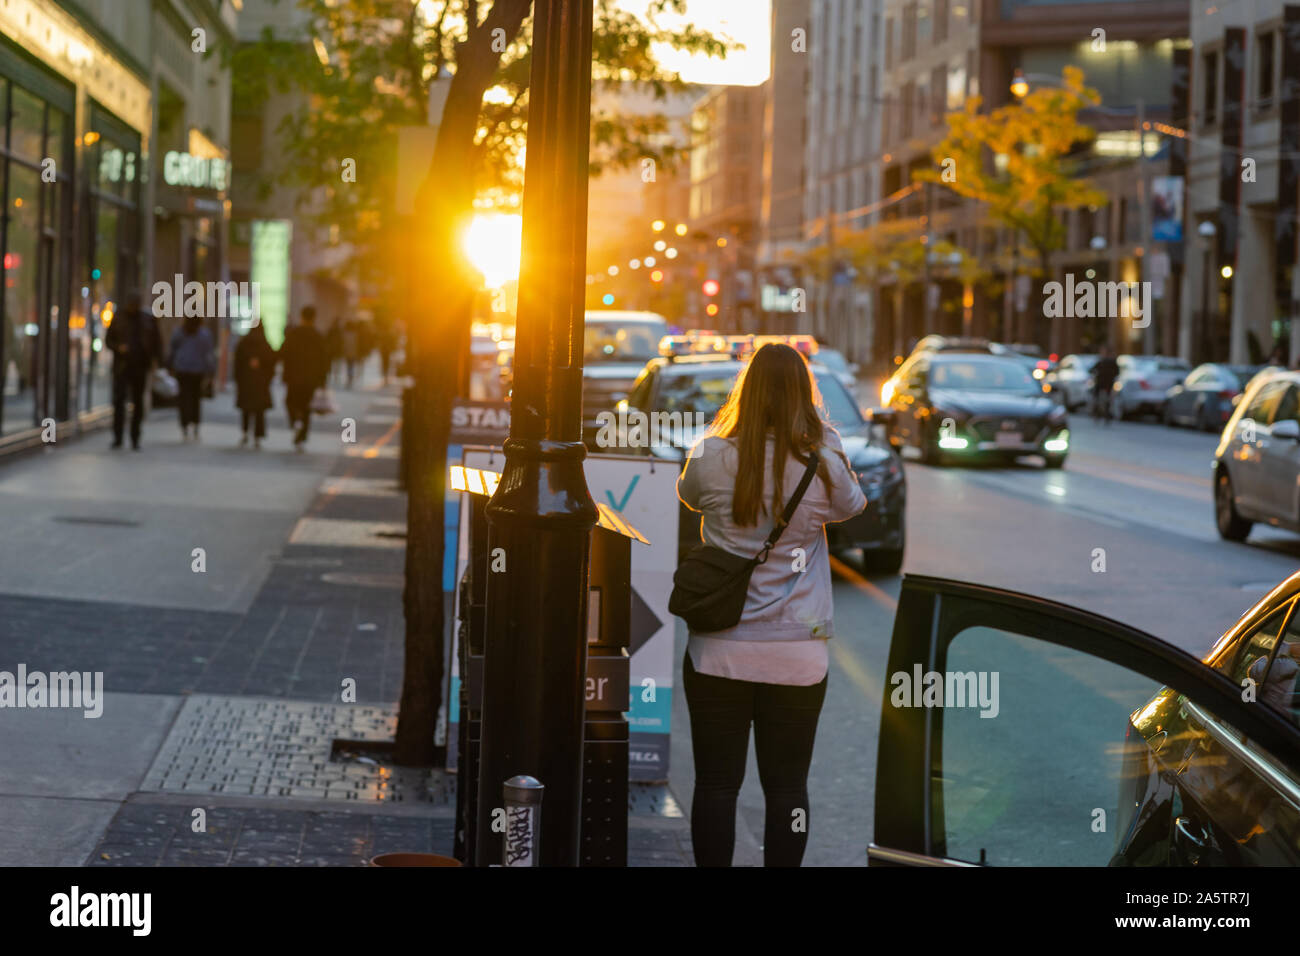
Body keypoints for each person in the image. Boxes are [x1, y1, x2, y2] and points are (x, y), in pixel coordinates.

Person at [675, 343, 867, 867]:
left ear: (747, 390)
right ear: (805, 396)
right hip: (796, 659)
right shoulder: (819, 463)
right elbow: (854, 504)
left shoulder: (713, 454)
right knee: (787, 791)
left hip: (718, 652)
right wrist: (824, 438)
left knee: (716, 784)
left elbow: (689, 494)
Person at [104, 291, 163, 450]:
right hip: (122, 365)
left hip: (139, 366)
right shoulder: (119, 317)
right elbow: (108, 340)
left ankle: (135, 437)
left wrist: (156, 361)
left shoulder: (147, 319)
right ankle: (118, 437)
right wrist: (119, 348)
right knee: (119, 402)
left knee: (137, 402)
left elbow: (157, 342)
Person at [280, 305, 328, 451]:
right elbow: (324, 360)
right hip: (311, 379)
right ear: (314, 318)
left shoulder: (294, 334)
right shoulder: (318, 336)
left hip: (294, 377)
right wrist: (322, 380)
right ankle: (302, 437)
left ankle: (295, 421)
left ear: (302, 317)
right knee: (307, 407)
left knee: (290, 402)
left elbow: (284, 353)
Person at [168, 315, 216, 441]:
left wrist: (170, 366)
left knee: (183, 398)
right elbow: (208, 354)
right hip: (197, 370)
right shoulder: (204, 334)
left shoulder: (179, 332)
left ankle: (184, 425)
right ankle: (195, 425)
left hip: (182, 369)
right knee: (195, 398)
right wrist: (211, 371)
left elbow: (172, 349)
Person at [234, 321, 277, 449]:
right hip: (261, 383)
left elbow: (237, 363)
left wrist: (239, 379)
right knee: (259, 411)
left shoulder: (243, 342)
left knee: (246, 409)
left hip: (246, 382)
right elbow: (272, 363)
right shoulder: (265, 344)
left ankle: (245, 432)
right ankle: (258, 436)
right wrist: (267, 379)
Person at [1092, 344, 1120, 425]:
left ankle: (1103, 415)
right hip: (1103, 383)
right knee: (1100, 398)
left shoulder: (1107, 361)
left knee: (1105, 399)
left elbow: (1117, 372)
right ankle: (1100, 414)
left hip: (1105, 383)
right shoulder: (1102, 361)